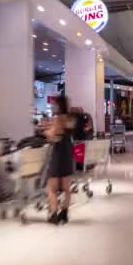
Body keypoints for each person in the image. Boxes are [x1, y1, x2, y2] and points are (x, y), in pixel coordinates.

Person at [44, 96, 75, 225]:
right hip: (68, 155)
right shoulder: (70, 119)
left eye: (53, 104)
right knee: (66, 189)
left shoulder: (57, 119)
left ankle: (54, 214)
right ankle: (65, 214)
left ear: (58, 105)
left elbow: (53, 137)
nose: (52, 106)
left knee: (51, 189)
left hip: (57, 156)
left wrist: (46, 131)